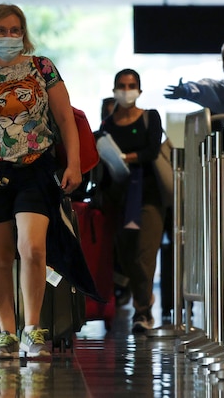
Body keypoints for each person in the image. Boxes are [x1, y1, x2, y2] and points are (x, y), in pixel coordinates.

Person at [0, 4, 83, 360]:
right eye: (2, 30)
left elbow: (66, 119)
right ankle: (5, 333)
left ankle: (33, 330)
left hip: (34, 167)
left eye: (15, 30)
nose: (9, 37)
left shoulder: (42, 69)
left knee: (33, 247)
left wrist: (74, 163)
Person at [100, 69, 166, 333]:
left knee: (144, 254)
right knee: (126, 258)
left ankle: (143, 311)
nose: (127, 90)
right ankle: (142, 299)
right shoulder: (108, 125)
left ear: (139, 89)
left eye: (131, 85)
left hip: (148, 195)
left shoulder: (150, 117)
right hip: (118, 198)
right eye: (122, 85)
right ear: (114, 88)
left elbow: (151, 151)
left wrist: (126, 158)